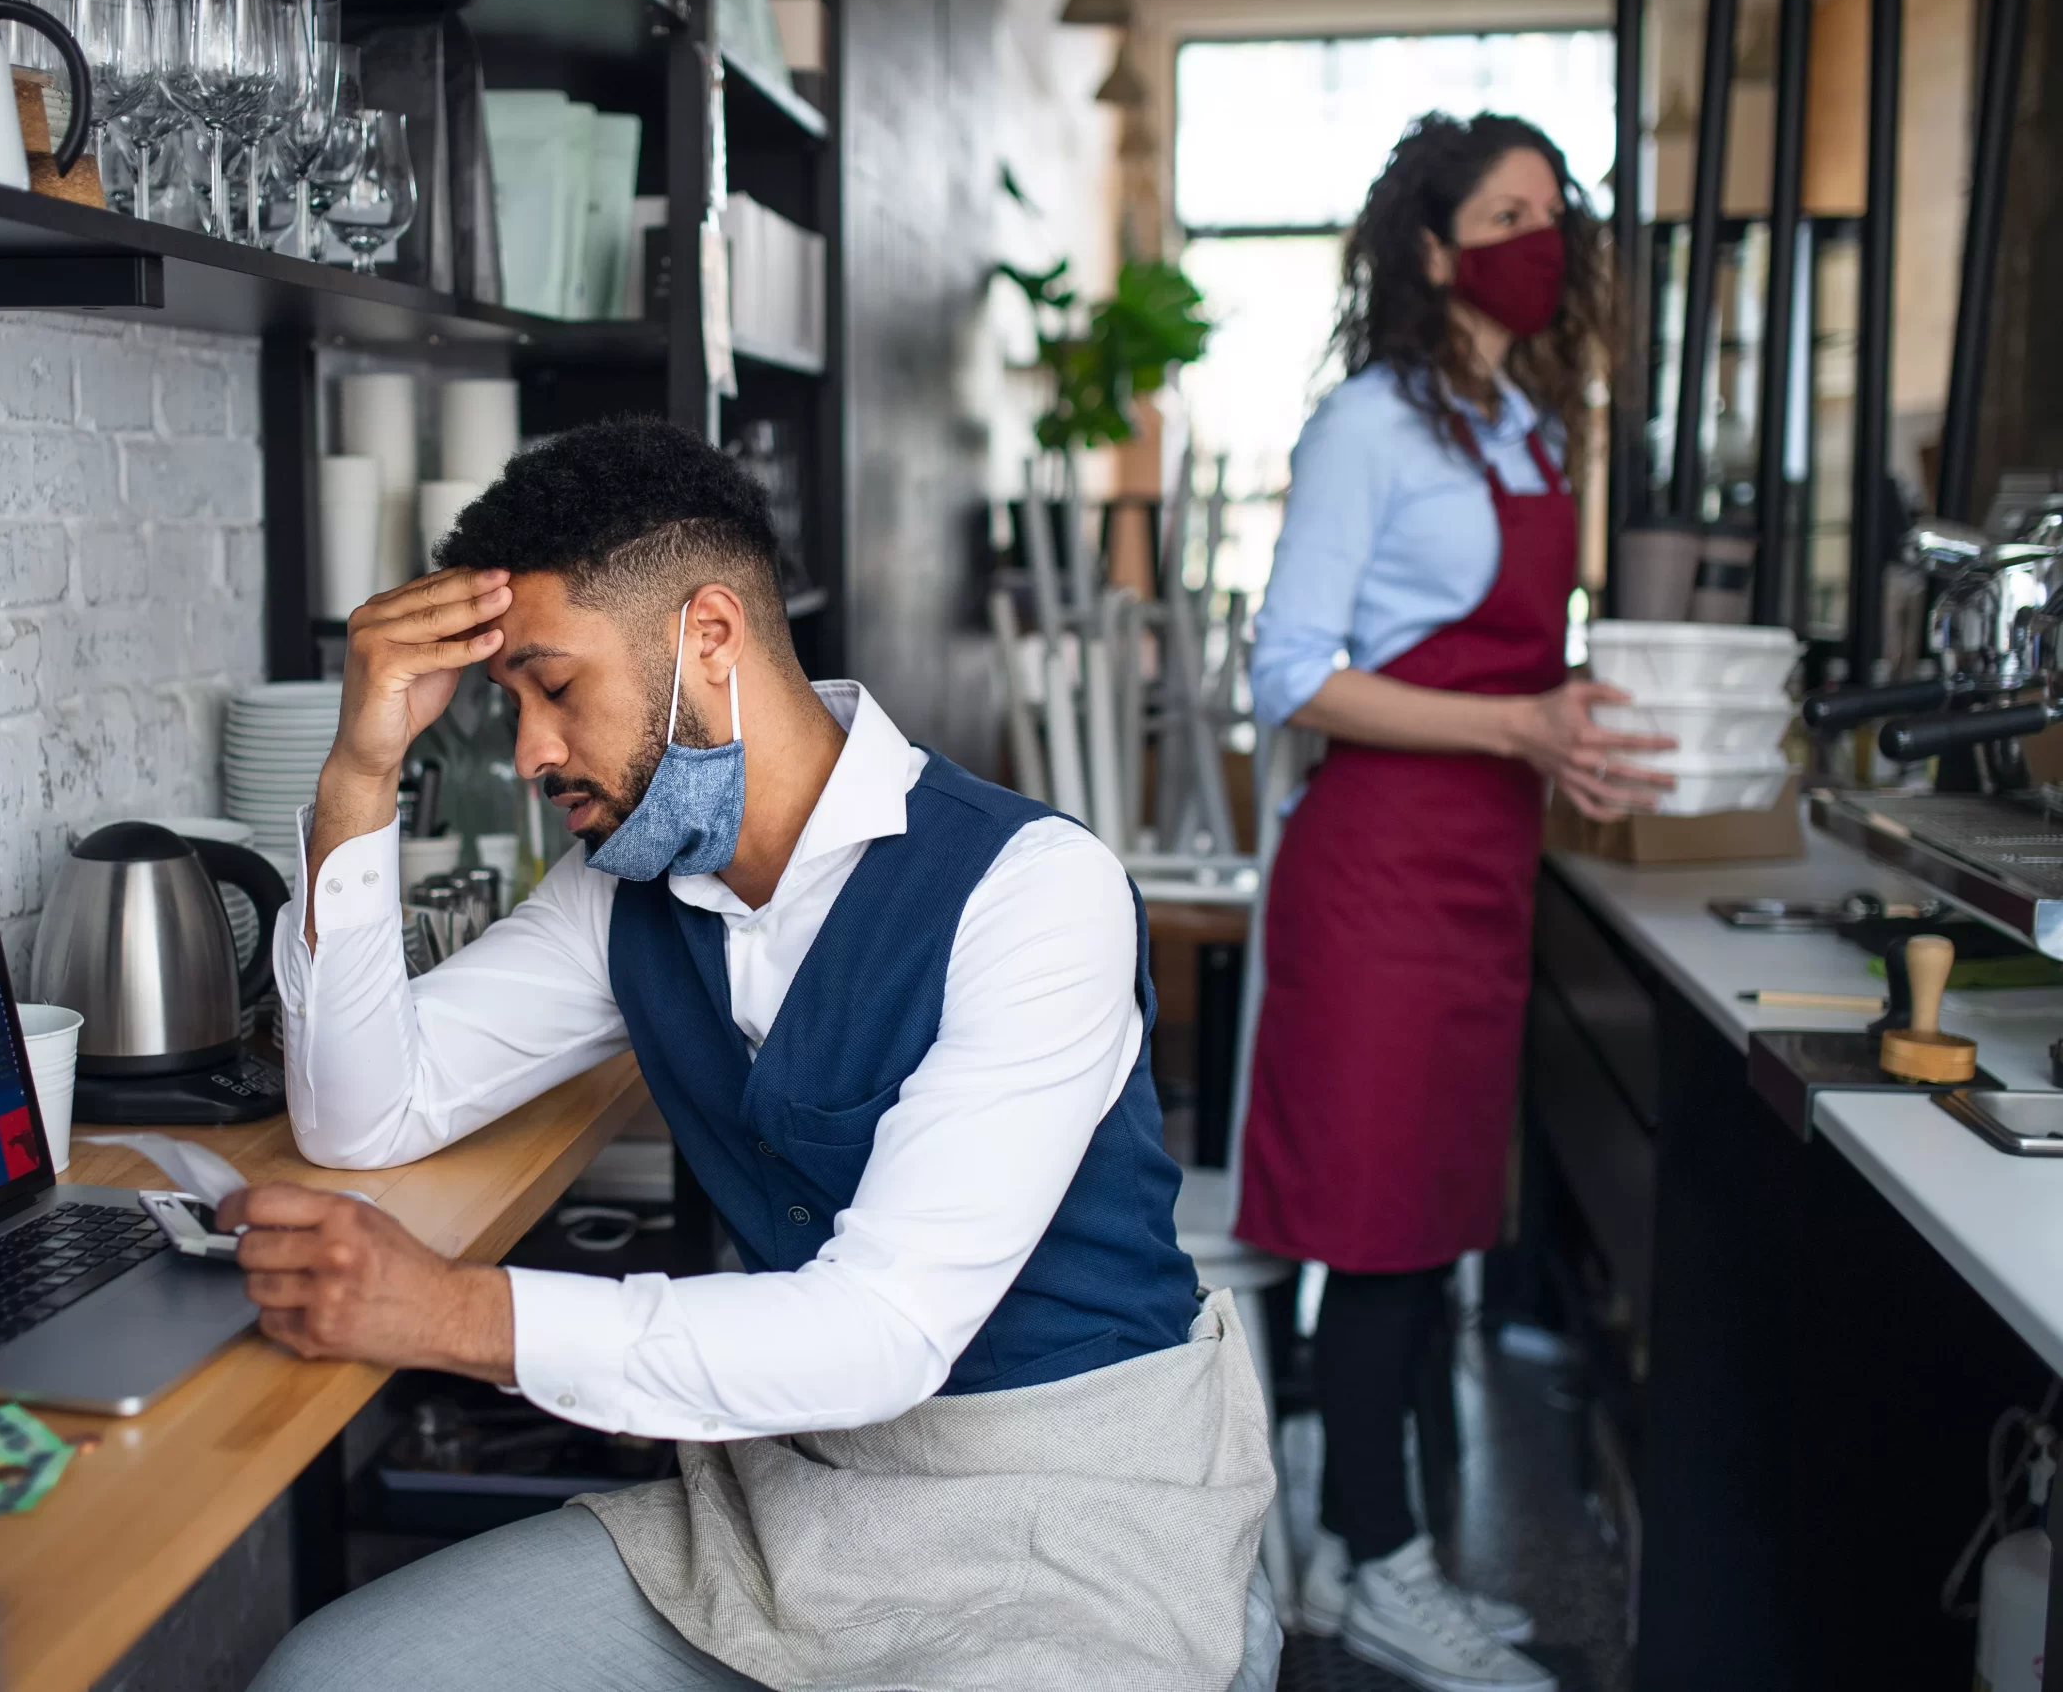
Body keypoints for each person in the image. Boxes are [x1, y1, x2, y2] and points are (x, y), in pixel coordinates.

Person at [222, 418, 1282, 1692]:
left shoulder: (1035, 890)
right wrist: (360, 767)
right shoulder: (623, 890)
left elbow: (884, 1330)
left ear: (709, 637)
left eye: (555, 689)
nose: (529, 754)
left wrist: (454, 1313)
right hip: (794, 1503)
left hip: (1071, 1504)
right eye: (512, 705)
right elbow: (362, 1115)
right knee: (330, 1678)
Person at [1233, 113, 1676, 1692]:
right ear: (1432, 249)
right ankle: (1380, 1559)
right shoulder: (1368, 426)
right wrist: (1517, 725)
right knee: (1380, 1227)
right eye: (1505, 215)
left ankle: (1364, 1553)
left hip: (1485, 870)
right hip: (1379, 871)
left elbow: (1520, 671)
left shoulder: (1531, 432)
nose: (1539, 241)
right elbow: (1288, 672)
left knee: (1433, 1220)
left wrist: (1578, 729)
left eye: (1554, 212)